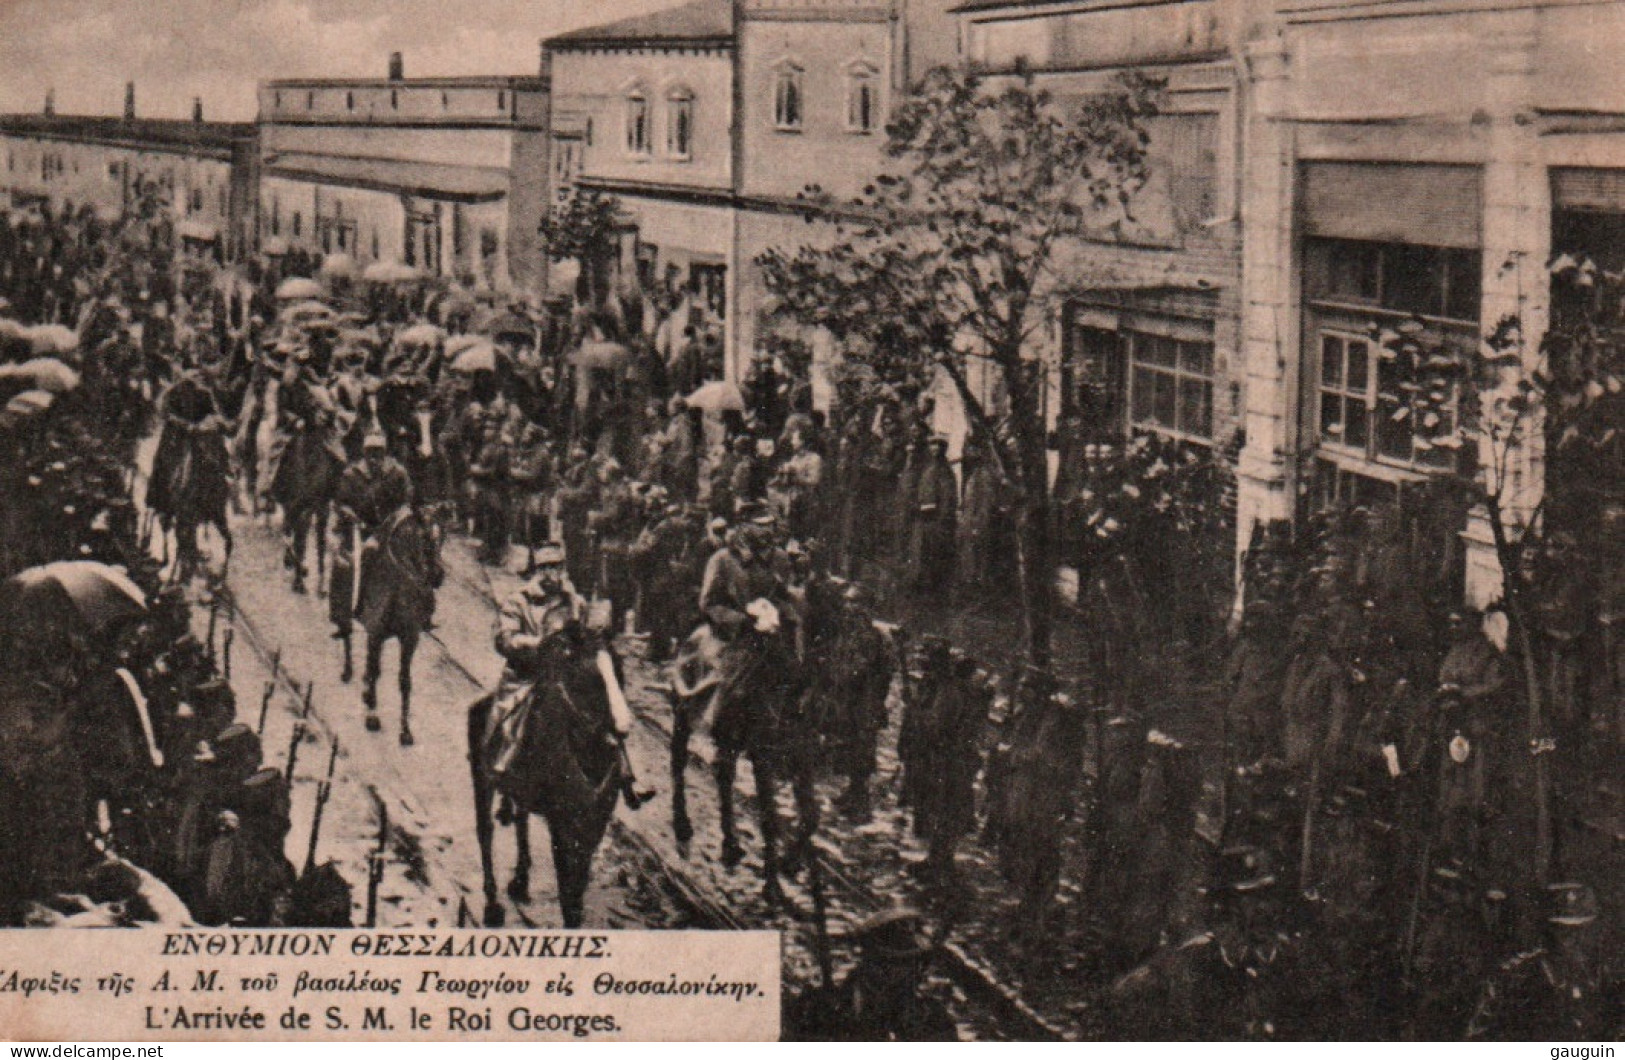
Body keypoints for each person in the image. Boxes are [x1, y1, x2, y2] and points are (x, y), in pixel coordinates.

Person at [782, 907, 957, 1041]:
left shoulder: (931, 1019)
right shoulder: (818, 1008)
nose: (906, 974)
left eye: (912, 964)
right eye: (891, 963)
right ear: (869, 960)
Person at [331, 432, 414, 638]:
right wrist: (351, 517)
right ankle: (342, 618)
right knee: (344, 566)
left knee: (416, 559)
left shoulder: (397, 473)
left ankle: (419, 611)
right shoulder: (352, 474)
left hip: (390, 529)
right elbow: (341, 502)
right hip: (358, 529)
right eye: (370, 453)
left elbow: (405, 501)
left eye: (379, 453)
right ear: (364, 453)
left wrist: (395, 521)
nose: (375, 458)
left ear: (386, 453)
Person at [908, 436, 958, 598]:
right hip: (923, 517)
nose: (934, 448)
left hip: (936, 519)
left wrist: (943, 518)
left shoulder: (944, 469)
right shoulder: (928, 467)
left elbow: (948, 496)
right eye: (932, 445)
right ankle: (920, 585)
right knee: (921, 552)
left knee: (933, 553)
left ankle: (933, 589)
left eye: (938, 446)